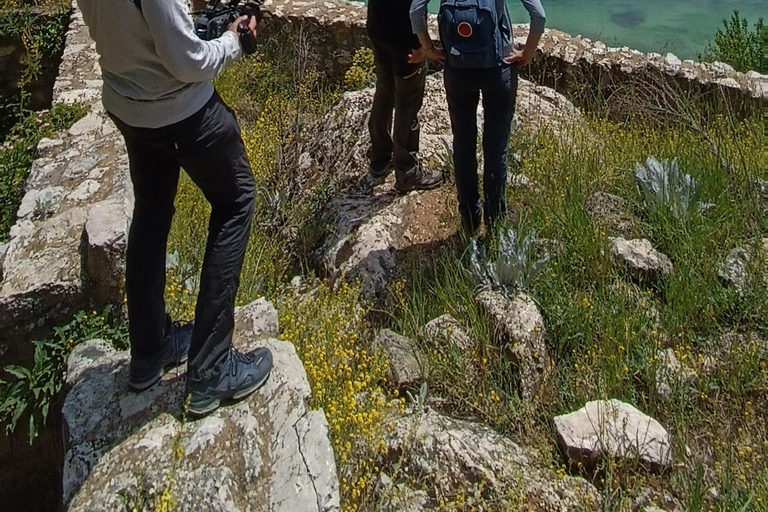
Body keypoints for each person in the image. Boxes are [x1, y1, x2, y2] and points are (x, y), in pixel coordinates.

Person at [76, 0, 272, 417]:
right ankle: (211, 367)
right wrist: (233, 41)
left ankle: (149, 351)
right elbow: (186, 62)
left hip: (128, 105)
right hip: (181, 112)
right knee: (236, 201)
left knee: (150, 212)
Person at [410, 0, 546, 233]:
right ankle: (496, 218)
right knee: (496, 147)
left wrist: (429, 48)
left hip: (457, 68)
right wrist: (528, 52)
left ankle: (470, 219)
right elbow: (539, 16)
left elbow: (415, 11)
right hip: (498, 69)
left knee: (463, 144)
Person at [366, 0, 443, 192]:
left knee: (384, 88)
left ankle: (379, 157)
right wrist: (422, 46)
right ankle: (407, 172)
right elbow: (416, 9)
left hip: (378, 27)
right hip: (405, 39)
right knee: (407, 103)